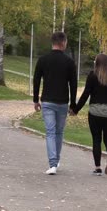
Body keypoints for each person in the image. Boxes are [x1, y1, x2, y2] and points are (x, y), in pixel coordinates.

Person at [33, 32, 77, 175]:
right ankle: (55, 161)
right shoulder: (69, 62)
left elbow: (36, 80)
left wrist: (35, 99)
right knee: (59, 132)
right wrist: (73, 104)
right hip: (63, 101)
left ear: (52, 43)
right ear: (63, 43)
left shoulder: (43, 60)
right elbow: (73, 84)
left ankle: (53, 163)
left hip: (47, 100)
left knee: (50, 132)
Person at [72, 54, 107, 176]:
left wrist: (76, 109)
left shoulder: (92, 75)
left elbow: (85, 95)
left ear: (97, 63)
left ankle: (98, 168)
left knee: (96, 139)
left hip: (95, 112)